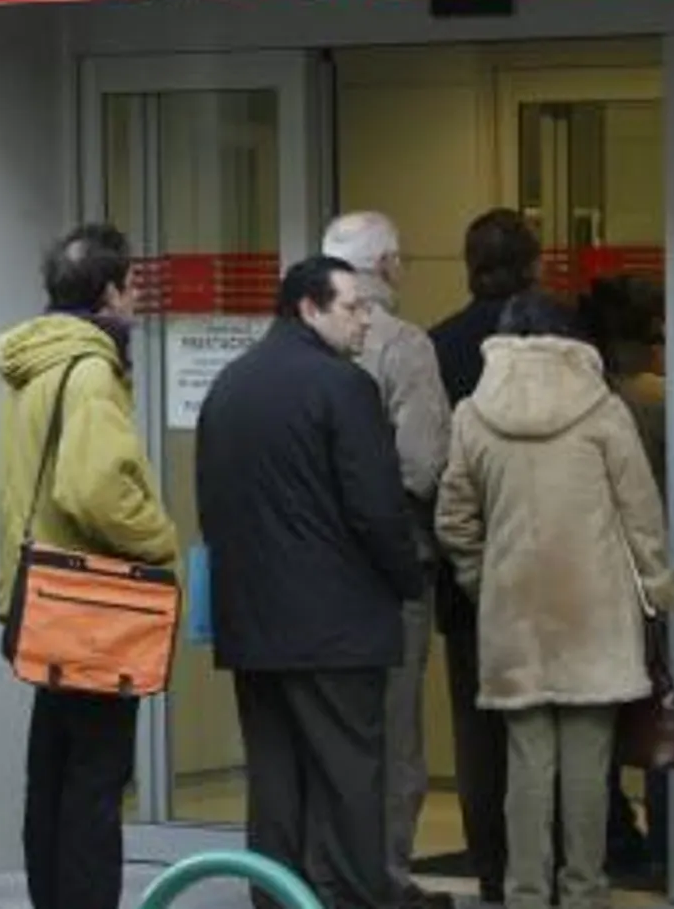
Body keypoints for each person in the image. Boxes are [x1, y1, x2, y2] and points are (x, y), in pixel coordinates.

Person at [434, 291, 674, 909]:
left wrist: (483, 580)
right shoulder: (603, 410)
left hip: (514, 613)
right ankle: (584, 890)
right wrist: (655, 587)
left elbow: (454, 520)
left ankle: (524, 892)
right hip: (595, 611)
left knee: (526, 766)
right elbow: (640, 512)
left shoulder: (473, 413)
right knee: (588, 767)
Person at [196, 254, 423, 909]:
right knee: (351, 779)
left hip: (254, 623)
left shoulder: (231, 384)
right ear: (308, 307)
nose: (366, 320)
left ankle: (276, 898)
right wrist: (406, 578)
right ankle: (353, 899)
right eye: (352, 306)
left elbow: (212, 503)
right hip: (338, 628)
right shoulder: (343, 387)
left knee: (275, 783)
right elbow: (377, 507)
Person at [0, 223, 179, 909]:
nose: (135, 299)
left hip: (40, 596)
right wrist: (161, 536)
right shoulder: (91, 367)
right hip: (93, 606)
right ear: (109, 291)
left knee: (54, 772)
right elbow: (92, 487)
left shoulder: (34, 363)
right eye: (131, 285)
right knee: (97, 781)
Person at [321, 213, 455, 909]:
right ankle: (386, 879)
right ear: (391, 266)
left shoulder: (299, 344)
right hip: (392, 563)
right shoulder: (405, 346)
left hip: (318, 571)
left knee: (331, 724)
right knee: (394, 729)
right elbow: (424, 464)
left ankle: (329, 873)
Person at [429, 208, 542, 904]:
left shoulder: (437, 344)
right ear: (533, 261)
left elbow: (433, 464)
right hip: (544, 559)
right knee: (542, 722)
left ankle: (493, 867)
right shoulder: (556, 337)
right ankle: (545, 863)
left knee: (477, 724)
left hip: (465, 565)